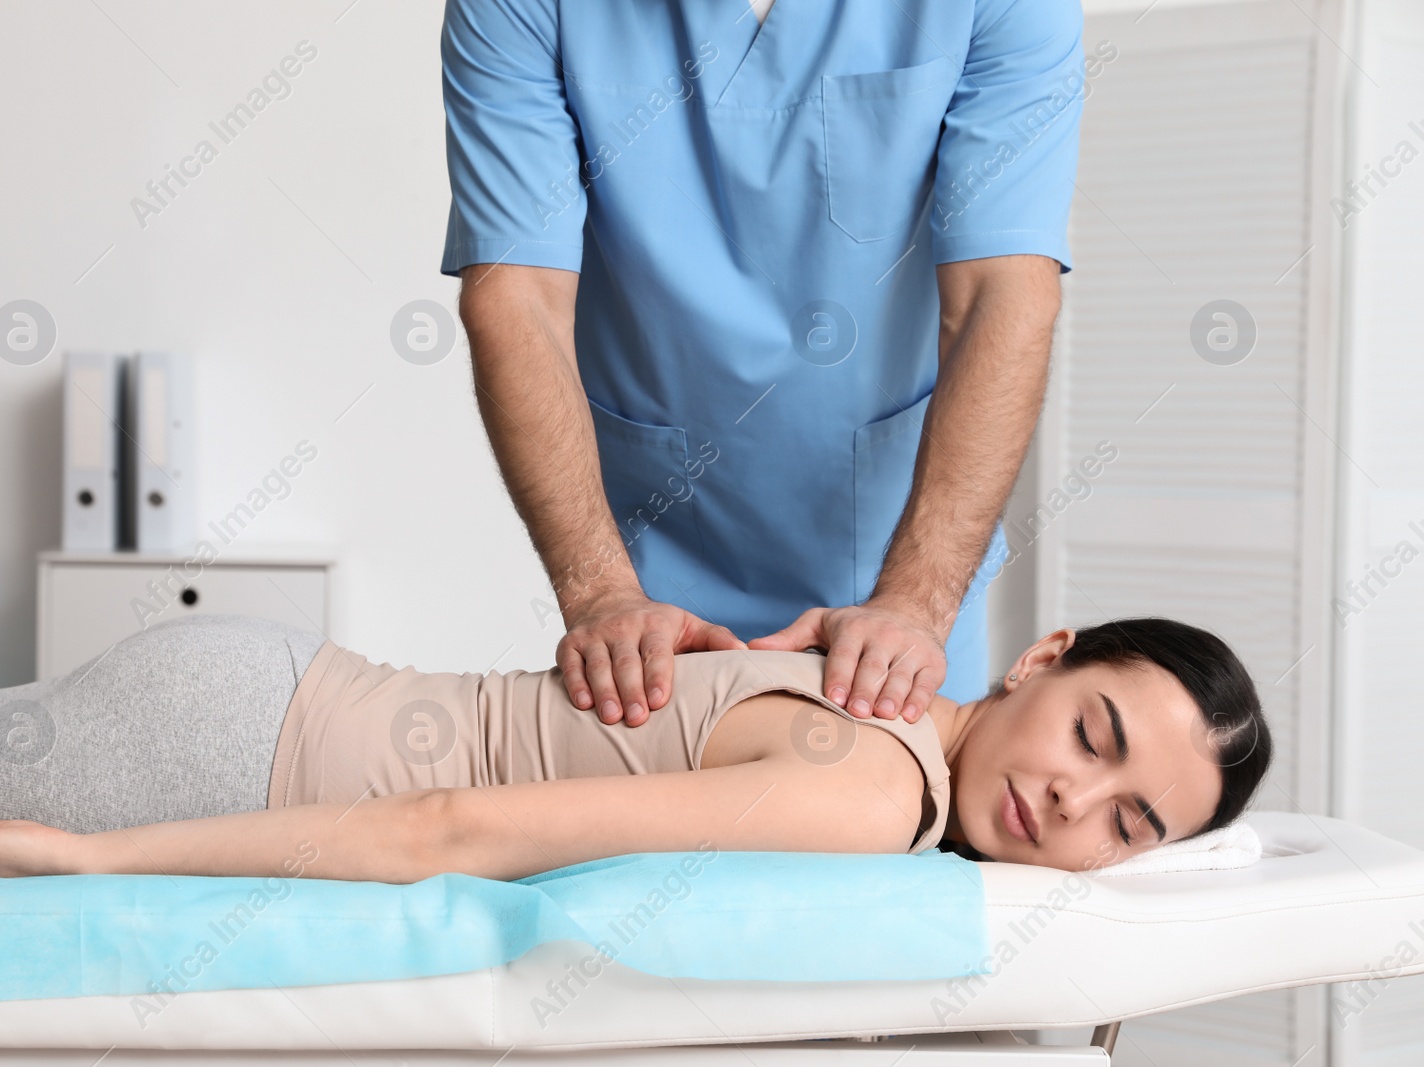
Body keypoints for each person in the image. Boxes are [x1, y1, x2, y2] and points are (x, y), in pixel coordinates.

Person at [441, 0, 1085, 733]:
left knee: (895, 822)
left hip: (898, 570)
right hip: (644, 576)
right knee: (641, 827)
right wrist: (598, 593)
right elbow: (515, 298)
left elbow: (1002, 299)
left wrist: (914, 602)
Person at [0, 612, 1270, 880]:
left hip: (260, 685)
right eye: (1094, 729)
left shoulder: (874, 670)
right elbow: (451, 829)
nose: (1070, 794)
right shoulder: (874, 791)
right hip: (221, 759)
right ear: (1043, 656)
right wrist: (89, 858)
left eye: (1126, 819)